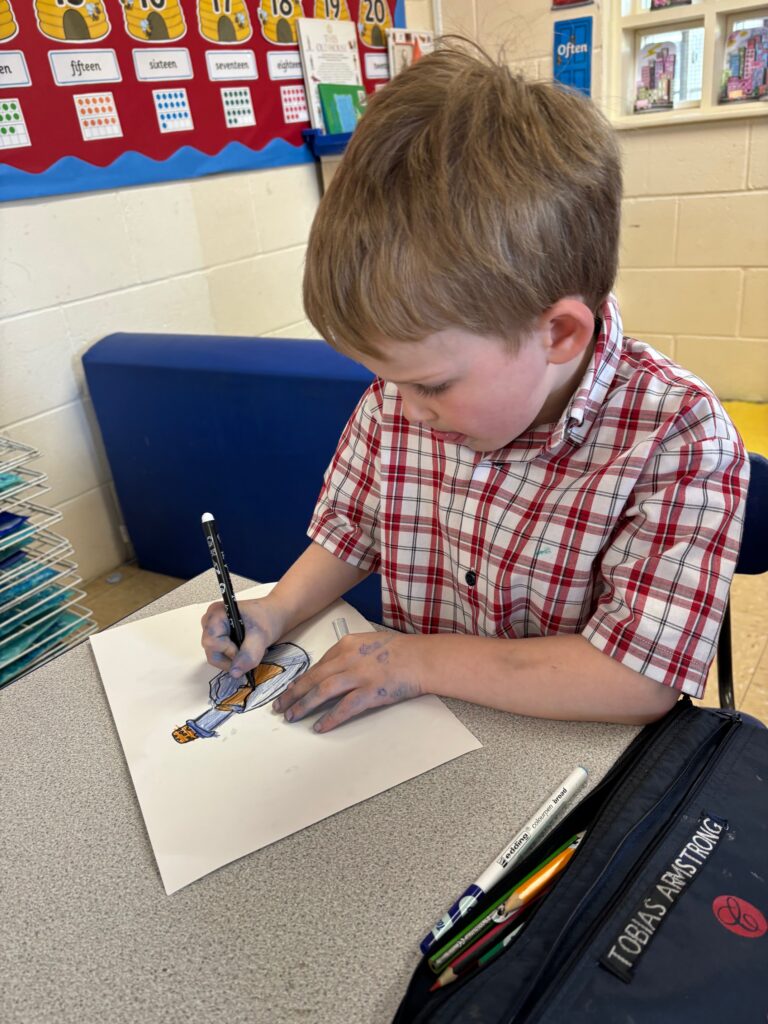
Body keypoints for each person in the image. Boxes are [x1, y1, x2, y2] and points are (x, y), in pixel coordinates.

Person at [200, 42, 748, 734]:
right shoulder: (405, 400)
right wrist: (275, 610)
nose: (401, 407)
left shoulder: (680, 437)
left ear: (559, 336)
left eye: (429, 383)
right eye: (385, 377)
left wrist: (417, 662)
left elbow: (637, 679)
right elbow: (352, 530)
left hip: (565, 754)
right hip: (417, 739)